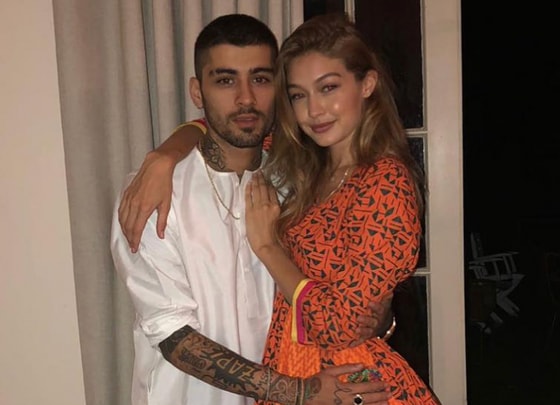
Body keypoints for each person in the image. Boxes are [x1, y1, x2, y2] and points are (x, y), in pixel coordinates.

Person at [111, 14, 392, 405]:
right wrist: (301, 392)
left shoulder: (298, 180)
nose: (245, 98)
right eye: (225, 81)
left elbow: (337, 293)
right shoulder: (155, 193)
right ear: (197, 92)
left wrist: (377, 316)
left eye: (260, 79)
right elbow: (173, 336)